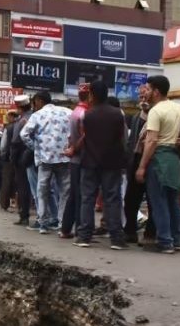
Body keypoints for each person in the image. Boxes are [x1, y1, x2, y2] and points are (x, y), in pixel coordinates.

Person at [136, 76, 180, 253]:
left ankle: (165, 242)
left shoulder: (156, 111)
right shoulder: (176, 107)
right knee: (172, 202)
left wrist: (141, 166)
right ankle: (176, 240)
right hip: (173, 158)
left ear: (156, 92)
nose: (145, 92)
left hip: (158, 158)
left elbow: (151, 141)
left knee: (158, 203)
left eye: (148, 89)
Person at [70, 81, 128, 249]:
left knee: (87, 199)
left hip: (90, 162)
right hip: (112, 162)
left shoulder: (88, 115)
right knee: (112, 199)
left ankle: (84, 236)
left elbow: (84, 138)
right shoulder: (118, 114)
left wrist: (74, 149)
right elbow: (123, 139)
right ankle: (117, 238)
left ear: (92, 95)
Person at [20, 91, 71, 234]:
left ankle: (43, 223)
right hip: (63, 158)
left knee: (42, 192)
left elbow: (24, 134)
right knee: (64, 192)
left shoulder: (37, 115)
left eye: (34, 102)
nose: (34, 105)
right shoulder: (68, 112)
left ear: (40, 101)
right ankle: (62, 223)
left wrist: (36, 147)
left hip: (45, 158)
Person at [123, 85, 156, 244]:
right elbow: (131, 142)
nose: (143, 100)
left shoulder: (158, 115)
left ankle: (150, 233)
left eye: (146, 97)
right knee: (131, 200)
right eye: (141, 97)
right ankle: (130, 231)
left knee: (153, 200)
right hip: (136, 162)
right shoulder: (136, 117)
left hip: (153, 162)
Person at [60, 83, 90, 238]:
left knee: (74, 194)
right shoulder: (84, 114)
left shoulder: (75, 112)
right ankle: (80, 229)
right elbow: (85, 137)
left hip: (75, 159)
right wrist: (74, 149)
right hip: (81, 158)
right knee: (81, 195)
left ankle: (66, 229)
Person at [11, 95, 34, 226]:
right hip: (34, 156)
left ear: (19, 107)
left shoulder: (22, 121)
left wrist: (12, 158)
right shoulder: (35, 116)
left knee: (23, 187)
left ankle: (24, 215)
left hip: (22, 157)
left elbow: (15, 141)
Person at [0, 111, 19, 211]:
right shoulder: (22, 124)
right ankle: (18, 204)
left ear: (12, 116)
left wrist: (2, 154)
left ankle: (4, 204)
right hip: (20, 157)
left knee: (6, 181)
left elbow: (3, 145)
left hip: (8, 157)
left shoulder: (8, 128)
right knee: (19, 181)